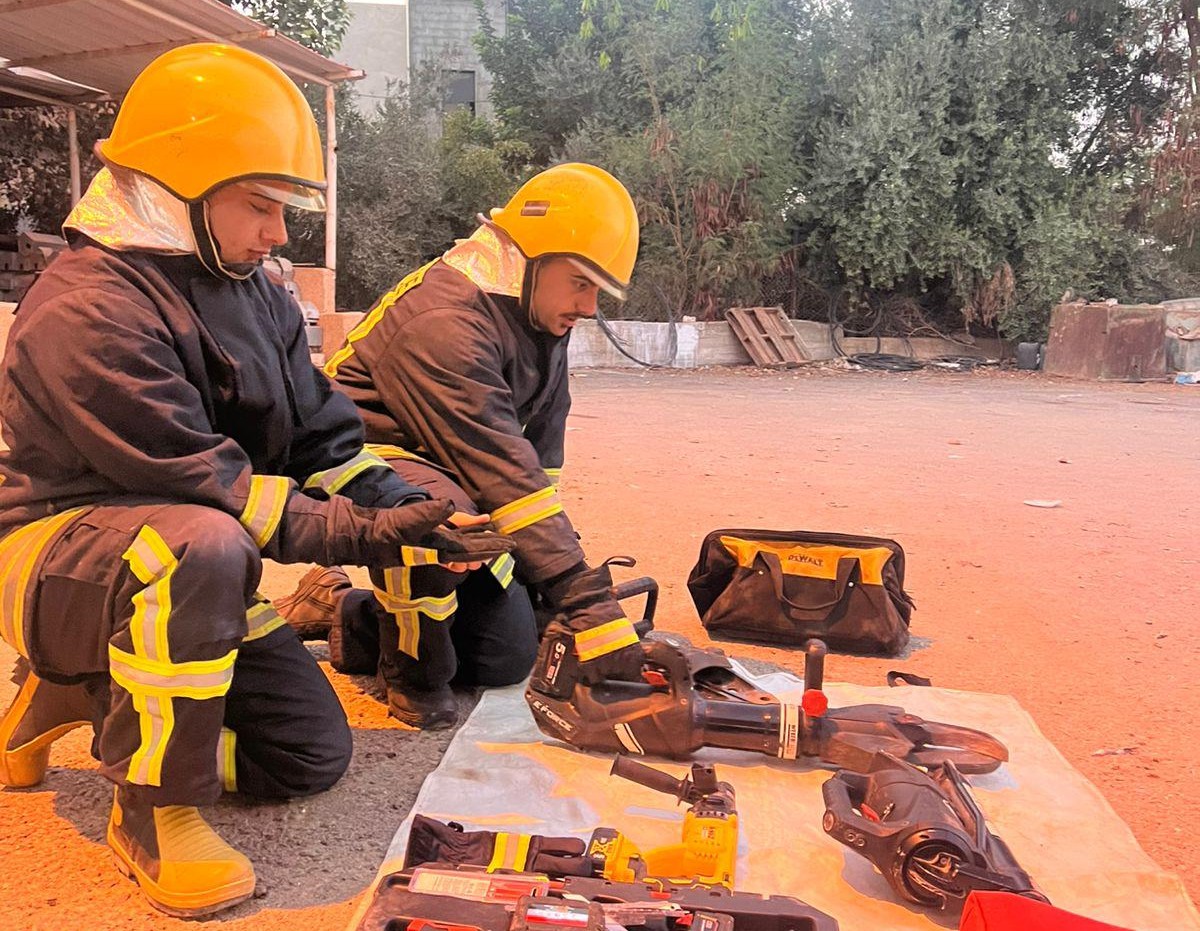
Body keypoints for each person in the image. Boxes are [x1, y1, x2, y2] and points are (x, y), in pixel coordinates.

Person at [0, 43, 511, 918]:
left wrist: (407, 509)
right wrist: (362, 535)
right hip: (56, 557)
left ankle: (77, 691)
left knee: (306, 756)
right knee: (199, 543)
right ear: (179, 186)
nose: (279, 234)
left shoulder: (255, 291)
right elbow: (212, 486)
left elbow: (322, 440)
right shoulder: (88, 305)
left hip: (181, 564)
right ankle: (154, 807)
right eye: (261, 205)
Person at [277, 162, 645, 731]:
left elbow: (538, 461)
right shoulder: (444, 321)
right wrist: (582, 595)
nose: (590, 306)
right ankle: (412, 672)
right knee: (435, 513)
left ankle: (340, 608)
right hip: (363, 463)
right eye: (581, 283)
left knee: (506, 658)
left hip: (459, 467)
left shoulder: (536, 312)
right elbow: (500, 467)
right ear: (532, 260)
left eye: (598, 289)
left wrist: (549, 580)